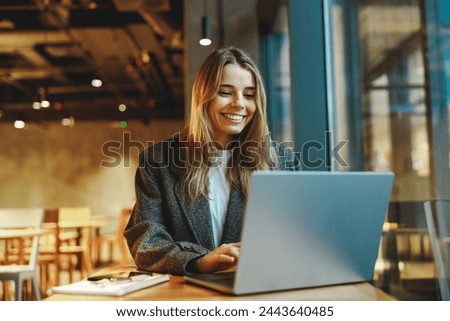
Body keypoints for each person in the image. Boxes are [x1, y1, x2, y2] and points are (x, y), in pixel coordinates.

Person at [124, 47, 300, 276]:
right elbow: (146, 243)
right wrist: (198, 261)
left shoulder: (283, 162)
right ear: (203, 97)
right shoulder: (158, 162)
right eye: (226, 92)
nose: (239, 103)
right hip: (189, 298)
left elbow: (297, 237)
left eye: (248, 95)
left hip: (261, 291)